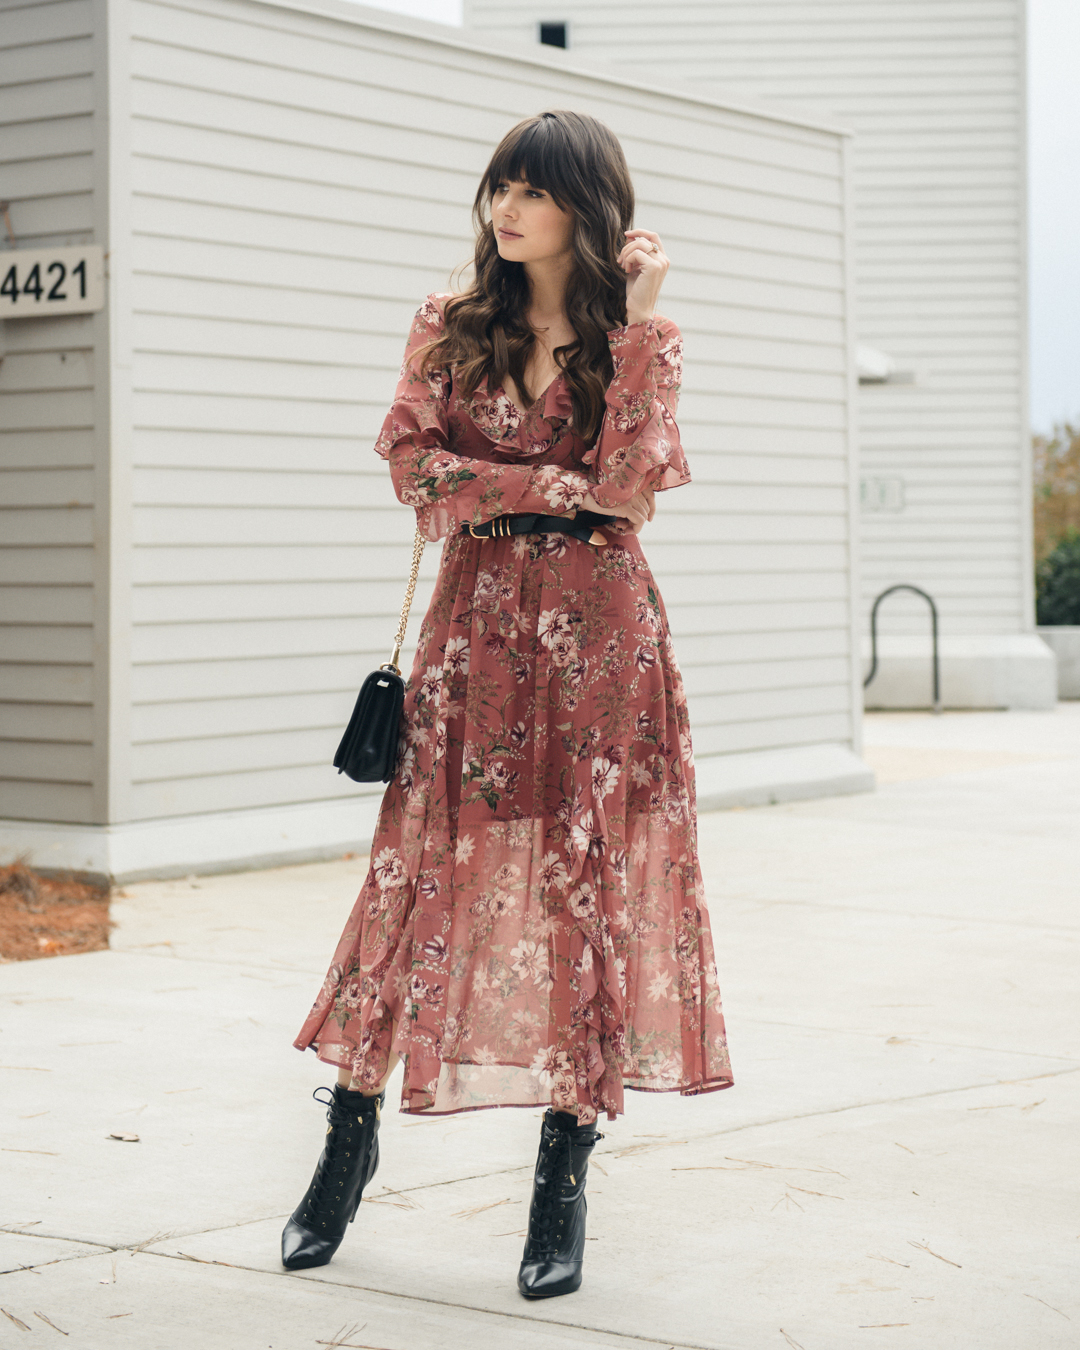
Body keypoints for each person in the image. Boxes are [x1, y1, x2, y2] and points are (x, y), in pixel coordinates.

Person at [282, 109, 732, 1298]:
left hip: (603, 640)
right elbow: (412, 467)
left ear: (588, 206)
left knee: (586, 891)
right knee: (422, 880)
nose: (506, 211)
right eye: (498, 190)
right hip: (475, 638)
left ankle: (562, 1179)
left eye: (531, 192)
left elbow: (633, 489)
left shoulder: (641, 339)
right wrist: (547, 484)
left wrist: (633, 330)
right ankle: (348, 1137)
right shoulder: (450, 328)